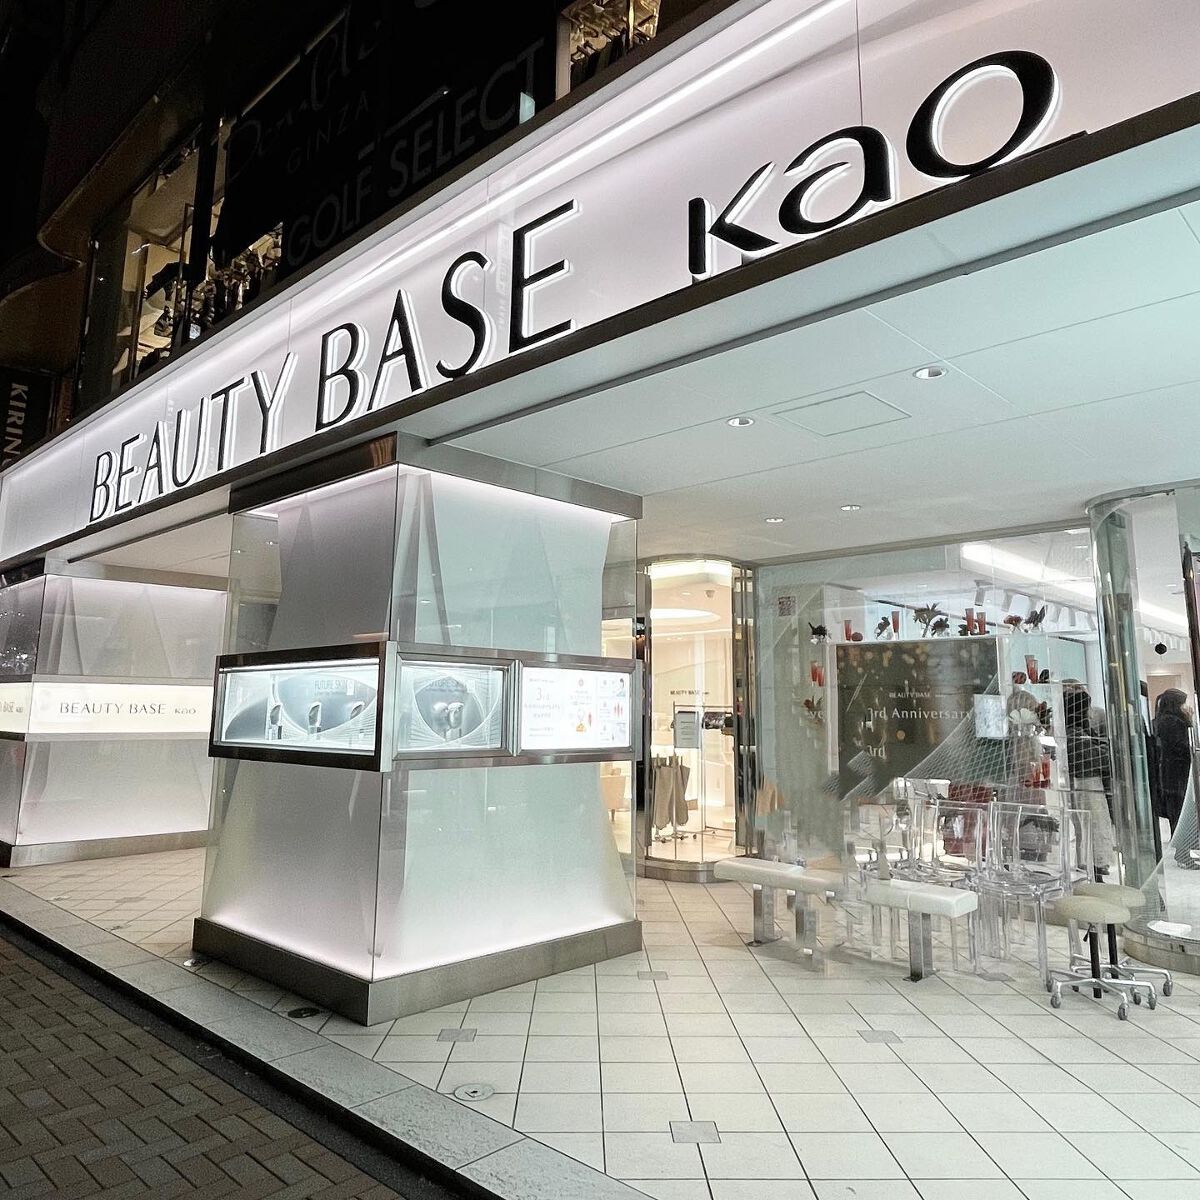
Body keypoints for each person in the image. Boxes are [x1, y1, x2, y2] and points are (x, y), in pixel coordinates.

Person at [1063, 685, 1117, 876]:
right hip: (1087, 783)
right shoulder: (1076, 735)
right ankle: (1094, 862)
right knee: (1093, 824)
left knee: (1092, 824)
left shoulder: (1078, 733)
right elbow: (1096, 758)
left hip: (1088, 783)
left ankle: (1094, 862)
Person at [1153, 689, 1194, 853]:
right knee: (1180, 813)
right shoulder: (1172, 722)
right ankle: (1183, 851)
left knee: (1178, 812)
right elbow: (1182, 747)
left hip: (1171, 775)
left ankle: (1183, 851)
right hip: (1176, 776)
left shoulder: (1164, 720)